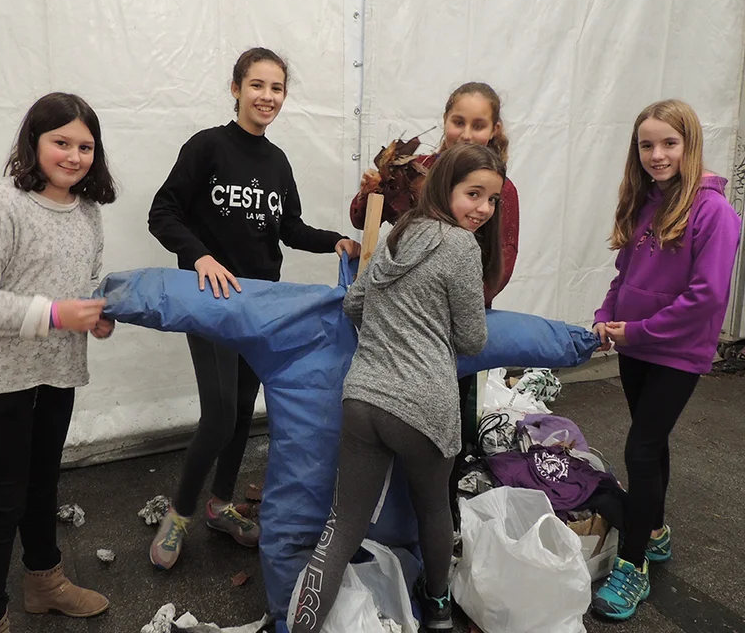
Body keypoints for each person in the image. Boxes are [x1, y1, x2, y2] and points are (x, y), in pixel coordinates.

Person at [147, 47, 360, 571]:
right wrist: (200, 256)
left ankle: (220, 505)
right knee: (220, 412)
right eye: (257, 85)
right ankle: (179, 514)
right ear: (236, 88)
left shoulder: (277, 161)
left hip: (259, 306)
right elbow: (163, 212)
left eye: (277, 88)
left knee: (243, 409)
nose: (267, 97)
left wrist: (335, 241)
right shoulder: (208, 147)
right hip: (211, 301)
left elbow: (289, 227)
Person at [293, 142, 505, 632]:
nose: (483, 208)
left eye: (492, 199)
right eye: (474, 194)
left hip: (363, 398)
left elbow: (353, 304)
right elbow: (473, 338)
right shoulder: (462, 246)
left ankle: (301, 626)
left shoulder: (399, 232)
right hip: (423, 406)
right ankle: (438, 607)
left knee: (342, 525)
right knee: (434, 512)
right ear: (446, 187)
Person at [0, 92, 117, 632]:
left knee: (43, 485)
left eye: (85, 146)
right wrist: (57, 313)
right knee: (2, 501)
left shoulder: (87, 213)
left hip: (55, 373)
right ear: (33, 142)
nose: (74, 156)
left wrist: (95, 314)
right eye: (61, 142)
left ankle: (45, 583)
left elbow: (84, 283)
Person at [590, 100, 741, 621]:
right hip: (634, 345)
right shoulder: (644, 202)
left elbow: (707, 296)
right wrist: (605, 316)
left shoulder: (714, 212)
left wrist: (639, 329)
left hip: (676, 351)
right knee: (651, 444)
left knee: (640, 449)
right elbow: (623, 276)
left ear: (689, 144)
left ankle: (632, 565)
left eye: (669, 143)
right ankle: (653, 530)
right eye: (646, 145)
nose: (657, 154)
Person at [351, 81, 518, 530]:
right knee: (391, 433)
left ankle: (442, 517)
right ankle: (410, 528)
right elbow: (369, 219)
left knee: (448, 431)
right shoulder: (417, 169)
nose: (466, 132)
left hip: (450, 330)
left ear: (494, 129)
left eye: (478, 124)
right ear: (444, 121)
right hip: (402, 326)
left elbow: (500, 263)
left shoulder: (499, 187)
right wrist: (370, 192)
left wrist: (463, 307)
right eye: (458, 121)